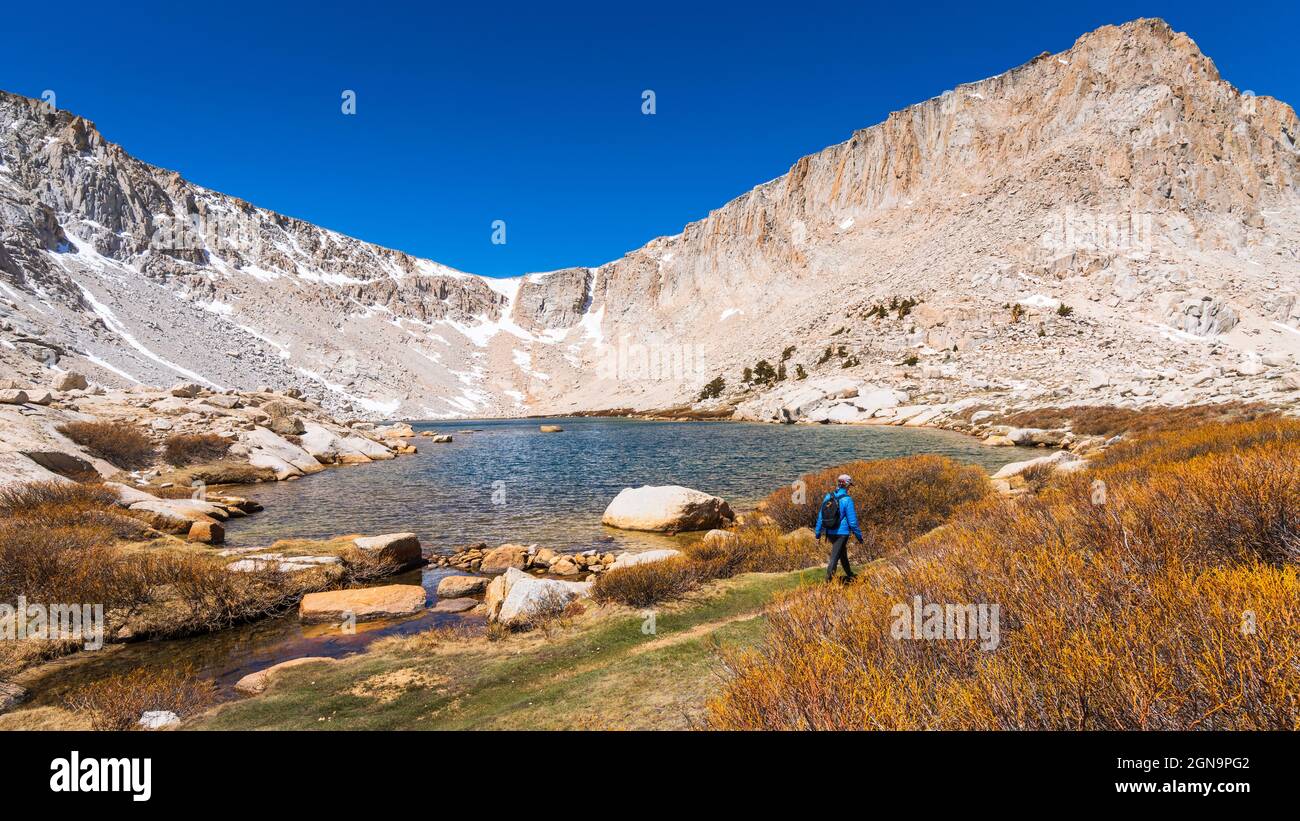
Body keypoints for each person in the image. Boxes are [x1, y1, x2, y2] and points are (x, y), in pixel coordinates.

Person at [814, 473, 863, 583]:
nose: (850, 487)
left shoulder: (828, 496)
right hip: (842, 534)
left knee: (842, 553)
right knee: (834, 558)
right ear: (846, 485)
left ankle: (850, 574)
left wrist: (817, 533)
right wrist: (859, 536)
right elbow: (853, 522)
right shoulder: (847, 499)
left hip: (829, 532)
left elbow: (820, 516)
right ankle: (828, 582)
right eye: (849, 485)